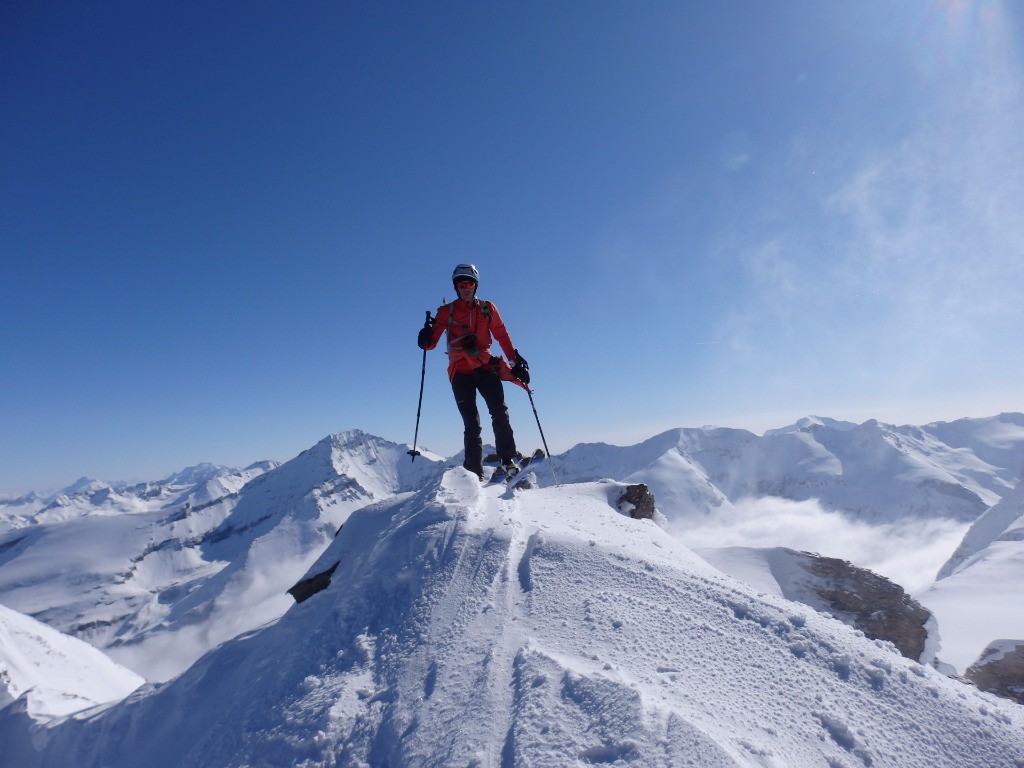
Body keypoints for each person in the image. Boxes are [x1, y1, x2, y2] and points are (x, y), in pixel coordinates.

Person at [417, 263, 530, 480]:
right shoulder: (446, 312)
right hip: (460, 371)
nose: (465, 287)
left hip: (485, 366)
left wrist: (514, 360)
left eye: (469, 283)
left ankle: (507, 459)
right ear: (456, 287)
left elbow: (502, 336)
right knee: (471, 423)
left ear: (475, 285)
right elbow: (430, 345)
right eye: (461, 284)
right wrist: (424, 338)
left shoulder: (487, 308)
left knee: (499, 411)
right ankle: (473, 474)